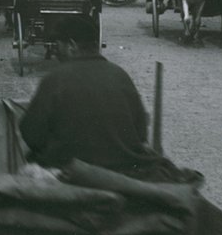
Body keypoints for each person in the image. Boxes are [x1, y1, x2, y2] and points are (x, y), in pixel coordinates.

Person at [18, 20, 200, 184]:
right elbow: (140, 132)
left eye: (58, 45)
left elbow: (31, 133)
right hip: (125, 170)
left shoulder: (55, 79)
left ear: (72, 45)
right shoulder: (120, 74)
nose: (55, 52)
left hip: (71, 172)